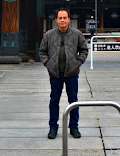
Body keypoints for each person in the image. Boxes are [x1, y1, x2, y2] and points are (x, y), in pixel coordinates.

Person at [39, 8, 89, 140]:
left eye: (65, 18)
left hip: (71, 73)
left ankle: (74, 126)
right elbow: (42, 52)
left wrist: (77, 63)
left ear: (68, 19)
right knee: (54, 100)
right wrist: (48, 64)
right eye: (60, 18)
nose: (62, 20)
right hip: (55, 73)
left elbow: (84, 50)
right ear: (56, 20)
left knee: (73, 100)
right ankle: (53, 127)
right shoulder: (48, 35)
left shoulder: (76, 34)